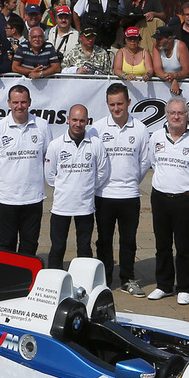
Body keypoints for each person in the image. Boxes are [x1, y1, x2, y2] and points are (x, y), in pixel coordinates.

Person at [145, 97, 189, 305]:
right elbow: (152, 162)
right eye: (172, 113)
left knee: (183, 245)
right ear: (166, 115)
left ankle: (183, 287)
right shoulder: (156, 137)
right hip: (160, 198)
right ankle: (163, 285)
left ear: (187, 116)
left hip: (186, 200)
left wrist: (188, 188)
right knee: (162, 244)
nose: (176, 116)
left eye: (180, 113)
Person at [93, 83, 150, 296]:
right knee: (104, 239)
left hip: (129, 195)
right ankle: (104, 280)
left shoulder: (141, 129)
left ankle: (127, 279)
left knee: (129, 240)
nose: (116, 108)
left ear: (128, 102)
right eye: (112, 104)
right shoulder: (97, 128)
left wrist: (130, 181)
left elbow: (144, 162)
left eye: (120, 104)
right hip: (104, 195)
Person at [0, 84, 51, 256]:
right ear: (8, 103)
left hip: (33, 197)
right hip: (7, 198)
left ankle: (28, 279)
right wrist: (5, 179)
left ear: (29, 102)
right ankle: (9, 280)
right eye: (15, 102)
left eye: (23, 102)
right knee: (7, 242)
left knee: (30, 243)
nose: (19, 106)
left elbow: (47, 158)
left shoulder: (42, 126)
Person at [44, 104, 110, 269]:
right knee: (58, 248)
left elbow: (102, 172)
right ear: (68, 119)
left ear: (87, 121)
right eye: (74, 120)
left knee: (84, 249)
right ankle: (55, 283)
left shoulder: (95, 144)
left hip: (85, 207)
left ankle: (83, 283)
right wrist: (64, 188)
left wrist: (86, 187)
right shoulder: (56, 145)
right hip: (61, 207)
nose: (78, 124)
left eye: (82, 120)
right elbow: (50, 176)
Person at [151, 24, 189, 93]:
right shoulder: (156, 46)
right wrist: (172, 79)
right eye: (156, 39)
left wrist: (175, 76)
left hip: (182, 84)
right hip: (164, 83)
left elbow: (186, 71)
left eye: (160, 39)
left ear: (169, 39)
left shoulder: (180, 46)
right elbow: (157, 71)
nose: (157, 41)